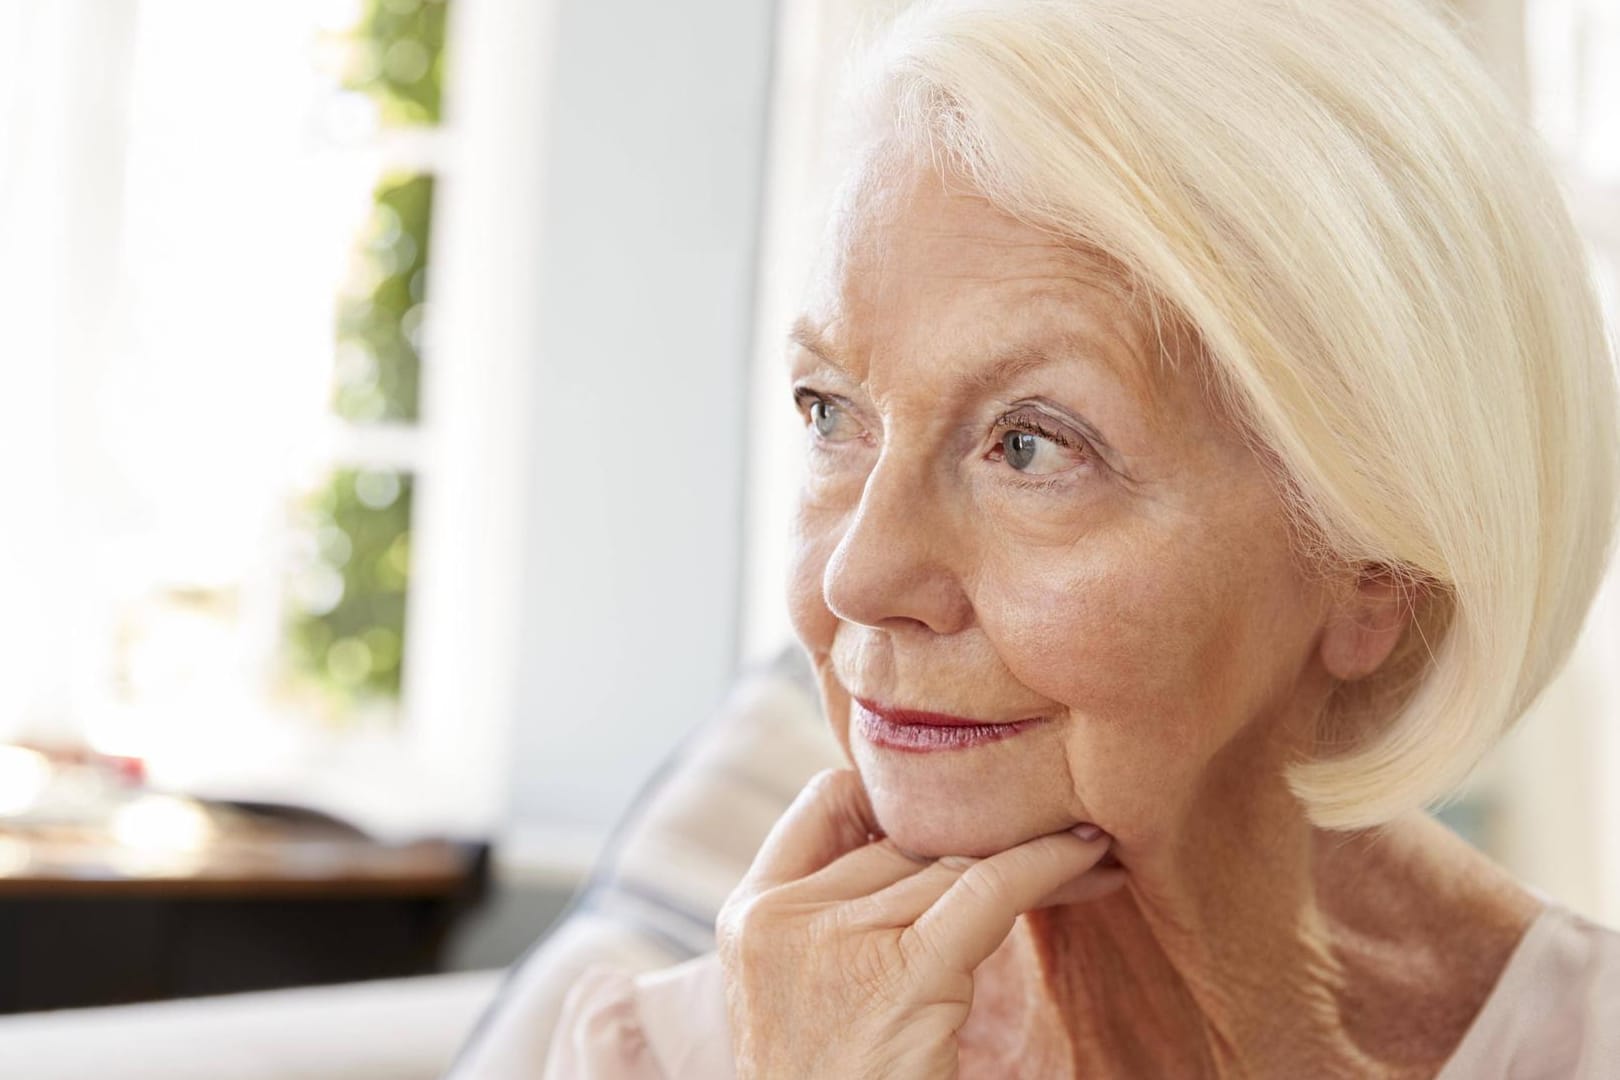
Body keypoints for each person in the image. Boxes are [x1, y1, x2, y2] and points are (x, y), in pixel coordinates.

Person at [538, 0, 1620, 1074]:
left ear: (1374, 577)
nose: (859, 576)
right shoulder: (675, 1059)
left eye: (1031, 447)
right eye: (830, 412)